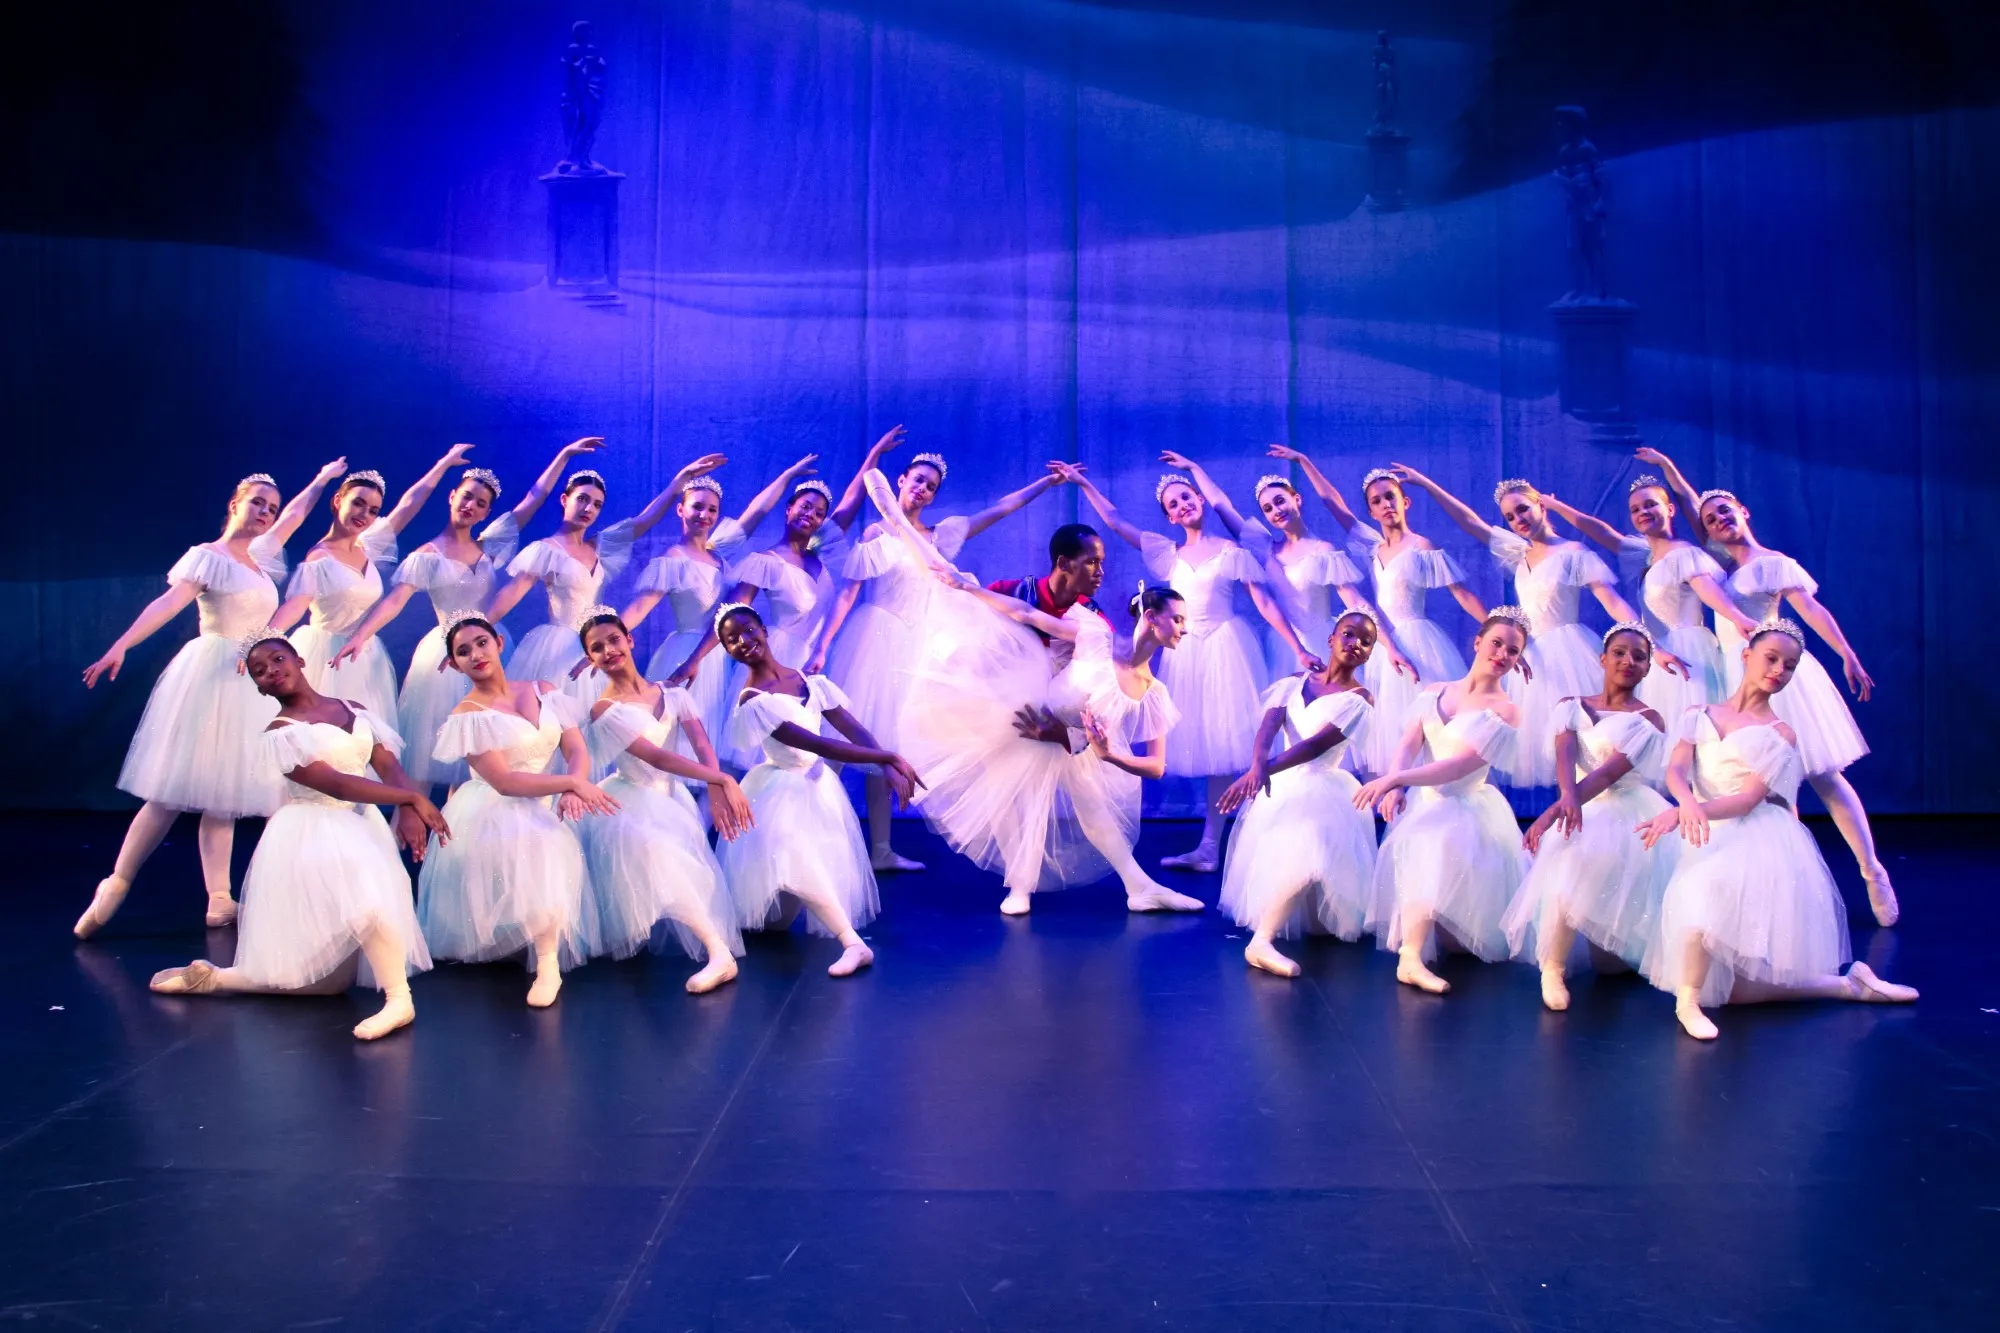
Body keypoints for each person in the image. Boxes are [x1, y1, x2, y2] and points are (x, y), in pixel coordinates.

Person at [77, 461, 345, 937]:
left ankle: (219, 899)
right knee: (170, 794)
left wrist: (322, 481)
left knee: (224, 796)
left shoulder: (262, 560)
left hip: (248, 678)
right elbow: (167, 604)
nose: (266, 513)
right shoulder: (208, 556)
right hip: (211, 672)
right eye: (257, 503)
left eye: (271, 508)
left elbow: (297, 516)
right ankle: (115, 885)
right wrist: (122, 644)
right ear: (235, 505)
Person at [1638, 447, 1898, 926]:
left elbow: (1812, 611)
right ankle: (1786, 892)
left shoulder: (1772, 562)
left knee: (1824, 778)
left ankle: (1871, 870)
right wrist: (1670, 472)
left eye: (1724, 513)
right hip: (1734, 679)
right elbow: (1693, 506)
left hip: (1780, 679)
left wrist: (1846, 652)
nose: (1717, 521)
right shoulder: (1714, 566)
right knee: (1766, 791)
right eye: (1711, 519)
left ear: (1744, 512)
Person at [148, 634, 444, 1040]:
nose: (272, 670)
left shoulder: (353, 709)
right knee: (369, 907)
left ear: (299, 660)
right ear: (259, 687)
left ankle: (216, 979)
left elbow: (387, 766)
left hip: (359, 825)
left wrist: (409, 807)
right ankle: (400, 1000)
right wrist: (411, 798)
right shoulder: (279, 734)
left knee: (324, 983)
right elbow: (336, 784)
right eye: (260, 671)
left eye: (277, 659)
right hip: (313, 830)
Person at [1637, 620, 1916, 1040]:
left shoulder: (1781, 732)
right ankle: (1848, 985)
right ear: (1746, 655)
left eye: (1789, 666)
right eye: (1771, 659)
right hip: (1703, 827)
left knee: (1698, 903)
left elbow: (1748, 800)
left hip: (1750, 833)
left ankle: (1686, 1002)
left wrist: (1684, 813)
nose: (1778, 671)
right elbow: (1676, 769)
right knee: (1727, 991)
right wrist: (1685, 804)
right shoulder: (1700, 714)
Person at [813, 433, 1064, 871]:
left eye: (931, 486)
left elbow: (1000, 509)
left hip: (919, 646)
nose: (922, 489)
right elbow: (849, 593)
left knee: (889, 747)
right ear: (901, 480)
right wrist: (823, 646)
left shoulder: (942, 537)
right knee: (843, 741)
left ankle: (882, 850)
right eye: (917, 480)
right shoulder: (879, 531)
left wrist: (1045, 485)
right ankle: (808, 832)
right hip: (876, 640)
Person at [1062, 457, 1322, 873]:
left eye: (1186, 497)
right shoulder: (1169, 555)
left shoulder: (1232, 551)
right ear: (1169, 516)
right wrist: (1081, 483)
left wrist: (1298, 647)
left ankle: (1221, 844)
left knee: (1226, 744)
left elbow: (1264, 602)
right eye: (1173, 504)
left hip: (1224, 648)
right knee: (1204, 745)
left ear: (1199, 499)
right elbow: (1114, 522)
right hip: (1186, 652)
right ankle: (1210, 846)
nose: (1182, 505)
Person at [1387, 465, 1686, 788]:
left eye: (1523, 510)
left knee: (1583, 745)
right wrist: (1429, 485)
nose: (1519, 520)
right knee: (1545, 746)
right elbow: (1471, 523)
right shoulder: (1519, 553)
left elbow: (1612, 601)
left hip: (1568, 655)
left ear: (1541, 507)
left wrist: (1651, 645)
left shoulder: (1572, 553)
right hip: (1532, 658)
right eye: (1511, 517)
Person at [332, 437, 602, 791]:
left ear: (487, 513)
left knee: (488, 757)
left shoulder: (489, 544)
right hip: (446, 652)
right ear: (452, 496)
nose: (471, 506)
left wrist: (564, 456)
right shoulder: (427, 554)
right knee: (433, 759)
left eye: (481, 503)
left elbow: (532, 501)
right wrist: (360, 635)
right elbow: (394, 601)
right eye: (467, 497)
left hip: (490, 647)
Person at [415, 613, 618, 1007]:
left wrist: (574, 785)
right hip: (495, 806)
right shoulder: (467, 715)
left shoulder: (543, 689)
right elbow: (505, 782)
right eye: (463, 652)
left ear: (499, 644)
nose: (475, 654)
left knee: (549, 848)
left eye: (481, 643)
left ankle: (545, 952)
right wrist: (569, 784)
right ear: (454, 664)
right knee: (533, 847)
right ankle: (548, 966)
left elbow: (575, 748)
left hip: (544, 797)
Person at [714, 602, 922, 976]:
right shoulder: (751, 701)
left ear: (763, 628)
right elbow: (817, 744)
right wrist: (889, 755)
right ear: (728, 651)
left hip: (816, 786)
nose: (744, 641)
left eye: (748, 631)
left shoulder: (809, 681)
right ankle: (852, 943)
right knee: (782, 885)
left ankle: (845, 938)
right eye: (732, 640)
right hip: (777, 791)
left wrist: (886, 763)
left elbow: (853, 730)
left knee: (789, 894)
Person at [1499, 623, 1676, 1011]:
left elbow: (1606, 775)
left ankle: (1622, 942)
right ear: (1602, 659)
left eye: (1639, 657)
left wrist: (1549, 815)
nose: (1628, 661)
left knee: (1611, 965)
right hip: (1579, 805)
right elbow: (1566, 756)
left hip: (1628, 810)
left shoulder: (1650, 720)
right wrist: (1565, 801)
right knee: (1566, 867)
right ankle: (1553, 968)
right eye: (1619, 652)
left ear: (1647, 668)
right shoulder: (1571, 706)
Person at [1357, 609, 1533, 994]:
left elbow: (1458, 767)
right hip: (1428, 801)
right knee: (1427, 845)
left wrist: (1396, 779)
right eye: (1497, 643)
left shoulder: (1507, 711)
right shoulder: (1434, 692)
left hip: (1469, 805)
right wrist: (1397, 787)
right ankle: (1411, 958)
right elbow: (1408, 745)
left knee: (1463, 943)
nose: (1502, 654)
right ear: (1478, 642)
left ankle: (1431, 941)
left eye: (1513, 651)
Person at [574, 607, 750, 993]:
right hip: (629, 801)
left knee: (676, 867)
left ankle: (717, 950)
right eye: (597, 648)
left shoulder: (671, 692)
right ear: (590, 660)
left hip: (671, 799)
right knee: (657, 855)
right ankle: (718, 953)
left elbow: (703, 744)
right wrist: (720, 778)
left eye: (614, 640)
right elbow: (656, 757)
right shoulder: (604, 709)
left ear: (630, 640)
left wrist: (717, 787)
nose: (609, 651)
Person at [485, 452, 724, 705]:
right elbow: (512, 593)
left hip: (596, 644)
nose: (589, 508)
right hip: (558, 647)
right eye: (583, 499)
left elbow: (644, 520)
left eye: (597, 504)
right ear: (565, 500)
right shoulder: (546, 549)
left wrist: (680, 480)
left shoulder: (597, 547)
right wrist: (477, 627)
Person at [1216, 610, 1379, 977]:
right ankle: (1264, 940)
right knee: (1294, 856)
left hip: (1325, 786)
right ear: (1331, 638)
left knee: (1313, 856)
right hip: (1283, 784)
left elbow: (1316, 745)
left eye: (1365, 642)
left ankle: (1265, 938)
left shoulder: (1360, 699)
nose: (1356, 644)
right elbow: (1269, 725)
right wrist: (1258, 767)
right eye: (1349, 634)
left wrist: (1262, 773)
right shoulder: (1295, 682)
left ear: (1369, 654)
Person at [1300, 461, 1487, 778]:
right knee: (1387, 734)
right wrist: (1304, 463)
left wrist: (1493, 626)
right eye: (1377, 501)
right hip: (1382, 648)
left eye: (1390, 496)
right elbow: (1336, 507)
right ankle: (1396, 815)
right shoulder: (1373, 548)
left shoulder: (1421, 546)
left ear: (1405, 501)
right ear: (1371, 512)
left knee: (1428, 730)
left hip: (1417, 645)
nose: (1385, 505)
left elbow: (1461, 593)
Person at [271, 447, 474, 724]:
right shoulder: (319, 558)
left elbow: (408, 506)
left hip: (364, 653)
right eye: (357, 503)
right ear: (338, 500)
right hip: (326, 654)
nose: (364, 514)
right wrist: (264, 640)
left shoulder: (368, 546)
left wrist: (444, 463)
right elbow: (295, 605)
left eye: (373, 510)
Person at [1191, 447, 1413, 696]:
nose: (1276, 511)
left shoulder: (1323, 552)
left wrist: (1390, 646)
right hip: (1285, 646)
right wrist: (1195, 469)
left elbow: (1356, 603)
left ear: (1296, 499)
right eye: (1268, 509)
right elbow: (1223, 507)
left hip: (1323, 644)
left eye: (1279, 501)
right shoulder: (1265, 549)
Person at [1537, 471, 1755, 725]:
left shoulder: (1684, 554)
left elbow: (1709, 591)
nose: (1643, 512)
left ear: (1670, 509)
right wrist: (1555, 507)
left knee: (1685, 724)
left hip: (1686, 651)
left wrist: (1737, 617)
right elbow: (1601, 532)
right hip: (1656, 650)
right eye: (1636, 509)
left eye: (1651, 504)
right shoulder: (1646, 557)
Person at [662, 456, 840, 767]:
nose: (810, 515)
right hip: (751, 653)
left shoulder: (817, 556)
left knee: (802, 756)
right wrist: (786, 475)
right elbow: (754, 515)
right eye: (804, 506)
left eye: (819, 513)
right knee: (749, 753)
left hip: (809, 661)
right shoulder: (757, 558)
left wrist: (871, 463)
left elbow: (845, 510)